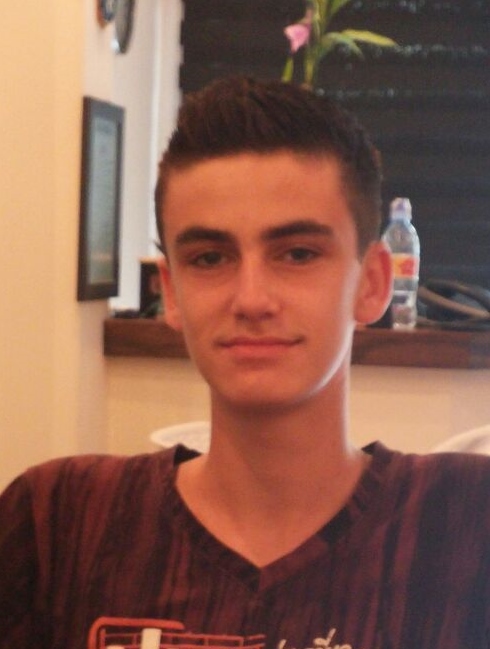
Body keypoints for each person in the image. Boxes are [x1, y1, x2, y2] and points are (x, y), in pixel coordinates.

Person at [0, 76, 489, 649]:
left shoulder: (464, 527)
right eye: (210, 258)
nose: (251, 299)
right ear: (172, 293)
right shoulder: (58, 524)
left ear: (374, 283)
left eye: (298, 253)